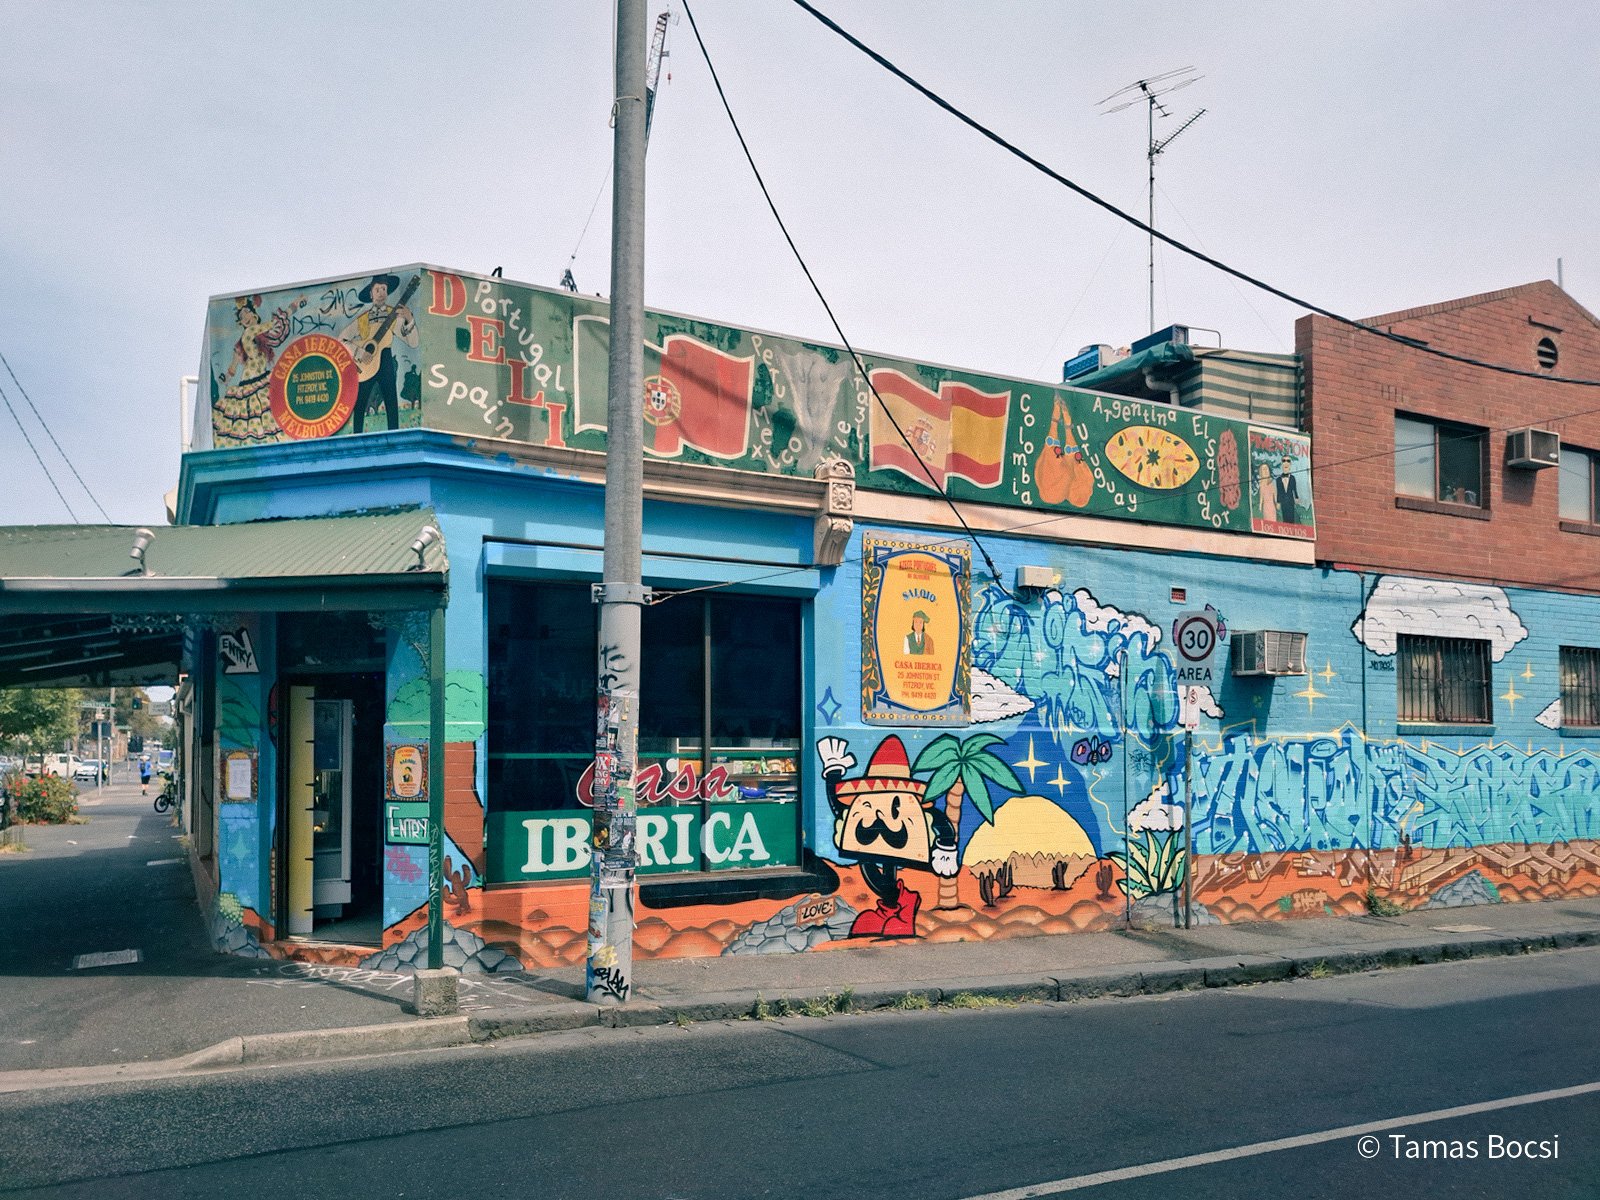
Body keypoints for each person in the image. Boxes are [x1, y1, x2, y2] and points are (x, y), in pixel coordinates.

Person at [340, 274, 418, 434]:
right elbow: (342, 339)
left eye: (384, 289)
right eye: (377, 289)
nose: (381, 292)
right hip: (365, 365)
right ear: (370, 294)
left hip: (385, 360)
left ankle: (395, 435)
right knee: (360, 403)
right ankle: (356, 437)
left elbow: (413, 342)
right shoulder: (362, 319)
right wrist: (359, 352)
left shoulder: (393, 315)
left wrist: (409, 319)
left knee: (391, 400)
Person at [1275, 455, 1301, 526]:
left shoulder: (1292, 478)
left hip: (1290, 501)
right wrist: (1278, 502)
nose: (1286, 463)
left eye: (1288, 461)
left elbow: (1294, 489)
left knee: (1291, 517)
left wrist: (1296, 497)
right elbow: (1279, 492)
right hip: (1283, 501)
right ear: (1281, 464)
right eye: (1284, 461)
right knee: (1285, 517)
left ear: (1290, 464)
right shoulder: (1278, 480)